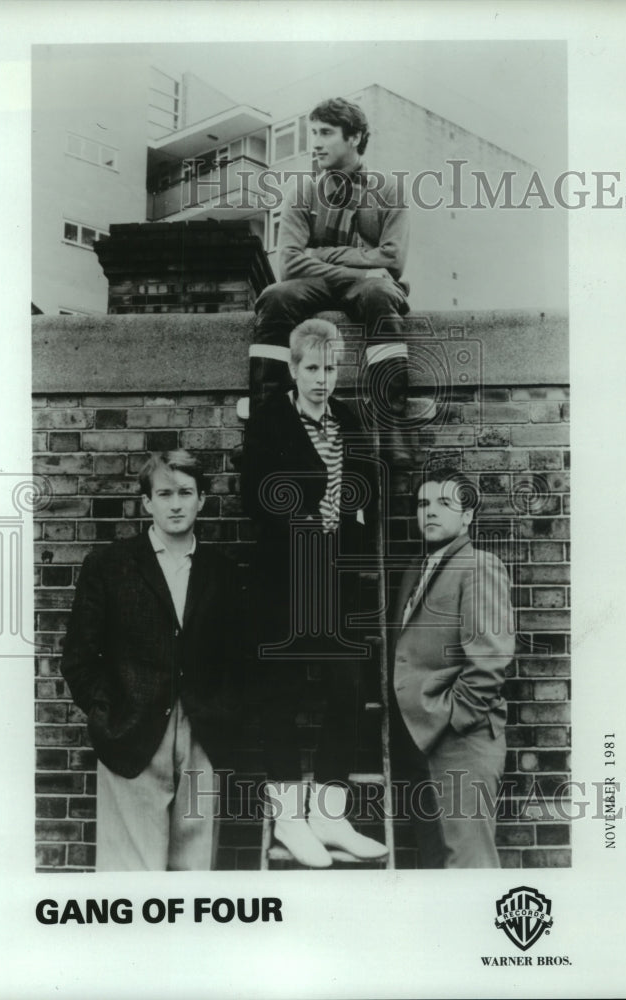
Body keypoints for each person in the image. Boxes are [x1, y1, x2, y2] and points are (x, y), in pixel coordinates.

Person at [241, 318, 387, 867]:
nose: (322, 380)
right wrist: (304, 522)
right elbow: (255, 497)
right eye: (312, 369)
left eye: (330, 369)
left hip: (335, 579)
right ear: (294, 369)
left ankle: (329, 815)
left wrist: (352, 517)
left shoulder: (347, 420)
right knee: (280, 694)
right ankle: (289, 819)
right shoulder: (270, 421)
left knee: (346, 691)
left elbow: (368, 487)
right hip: (285, 577)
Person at [60, 450, 242, 871]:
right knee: (132, 871)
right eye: (164, 494)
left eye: (185, 492)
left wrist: (224, 711)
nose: (175, 503)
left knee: (195, 865)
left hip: (203, 734)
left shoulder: (223, 572)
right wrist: (108, 711)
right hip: (132, 732)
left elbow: (238, 658)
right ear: (147, 502)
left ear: (201, 500)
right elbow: (79, 657)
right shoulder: (109, 565)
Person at [247, 96, 417, 462]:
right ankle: (262, 429)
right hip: (323, 284)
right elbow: (289, 265)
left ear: (354, 137)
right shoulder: (304, 192)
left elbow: (393, 259)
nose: (316, 143)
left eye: (326, 133)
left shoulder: (389, 190)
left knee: (380, 294)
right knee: (275, 297)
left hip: (367, 287)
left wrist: (321, 255)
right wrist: (359, 265)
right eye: (313, 133)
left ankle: (391, 427)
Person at [390, 467, 516, 868]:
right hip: (418, 743)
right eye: (423, 503)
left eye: (444, 503)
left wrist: (450, 717)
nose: (429, 512)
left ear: (467, 515)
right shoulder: (415, 570)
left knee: (468, 867)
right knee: (434, 868)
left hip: (462, 743)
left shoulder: (480, 565)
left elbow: (491, 660)